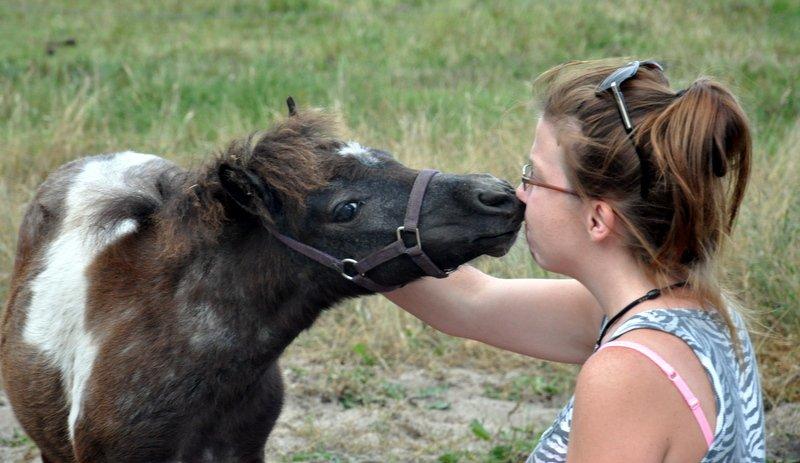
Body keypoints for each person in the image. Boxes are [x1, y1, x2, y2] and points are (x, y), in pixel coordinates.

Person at [386, 59, 765, 462]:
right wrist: (346, 222)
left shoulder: (628, 373)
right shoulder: (692, 312)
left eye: (535, 175)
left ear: (597, 219)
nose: (520, 194)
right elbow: (471, 303)